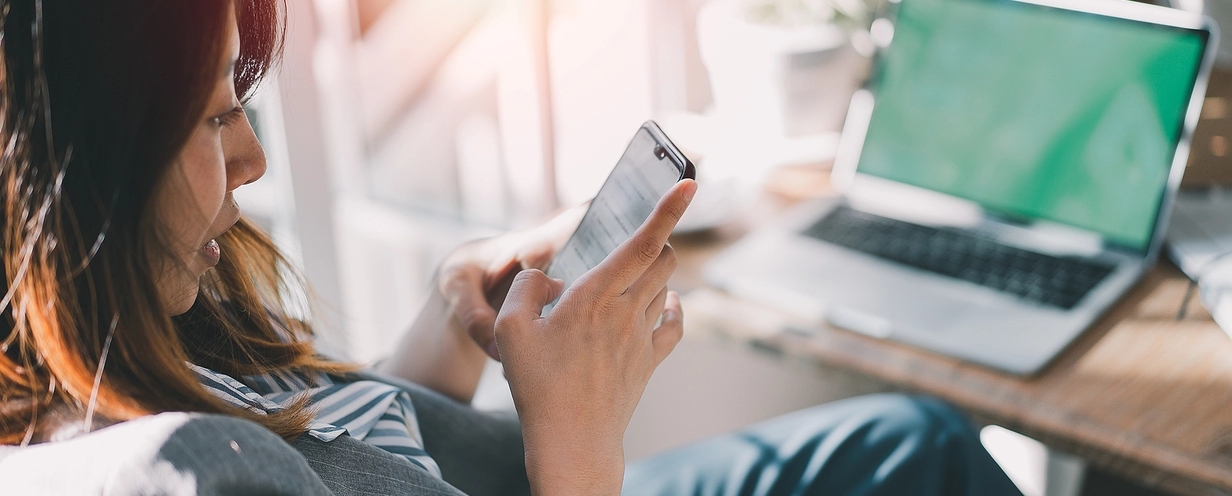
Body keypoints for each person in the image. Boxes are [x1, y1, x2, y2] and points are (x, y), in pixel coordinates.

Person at [0, 0, 1022, 494]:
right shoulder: (173, 472)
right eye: (218, 117)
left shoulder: (119, 334)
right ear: (90, 170)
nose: (256, 158)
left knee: (915, 442)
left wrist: (447, 322)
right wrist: (577, 433)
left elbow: (345, 462)